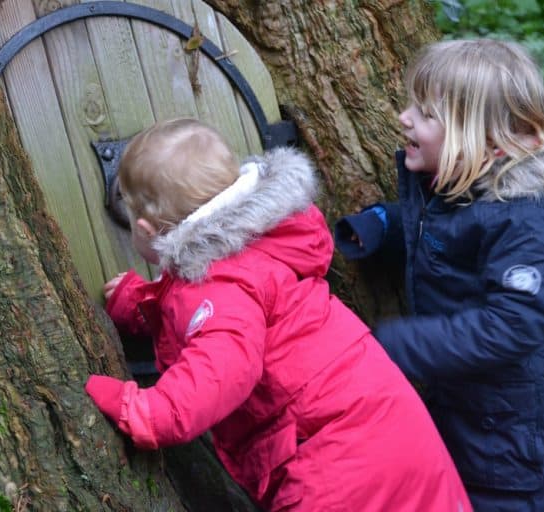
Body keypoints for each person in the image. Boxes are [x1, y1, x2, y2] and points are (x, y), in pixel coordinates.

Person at [85, 118, 471, 511]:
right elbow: (207, 313)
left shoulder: (220, 286)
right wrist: (139, 302)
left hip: (333, 464)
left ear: (148, 230)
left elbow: (221, 364)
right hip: (393, 425)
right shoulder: (261, 243)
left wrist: (148, 412)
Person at [335, 38, 544, 511]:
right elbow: (458, 240)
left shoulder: (533, 218)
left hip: (541, 463)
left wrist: (395, 346)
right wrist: (385, 227)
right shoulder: (469, 189)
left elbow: (514, 323)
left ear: (486, 141)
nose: (404, 117)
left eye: (425, 114)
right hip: (497, 429)